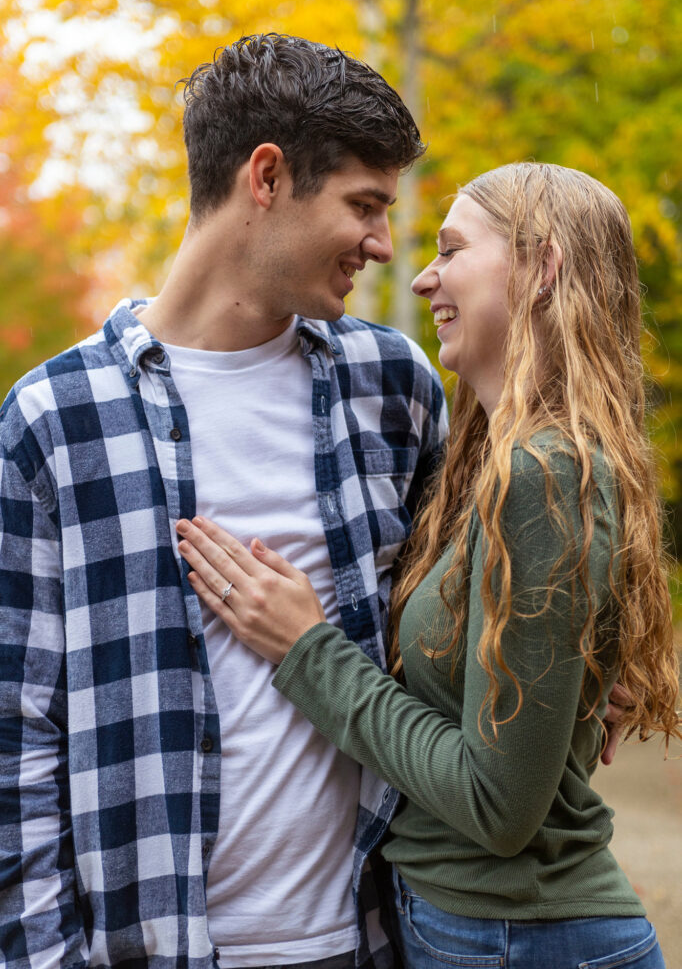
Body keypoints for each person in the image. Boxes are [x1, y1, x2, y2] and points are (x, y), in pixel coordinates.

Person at [0, 34, 448, 969]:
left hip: (374, 937)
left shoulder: (393, 386)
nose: (382, 244)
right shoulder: (54, 420)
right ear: (269, 176)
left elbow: (467, 619)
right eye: (364, 205)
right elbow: (16, 739)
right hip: (151, 946)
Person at [177, 162, 682, 969]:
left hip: (523, 938)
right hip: (487, 932)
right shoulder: (500, 464)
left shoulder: (543, 474)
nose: (420, 277)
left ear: (543, 268)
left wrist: (307, 653)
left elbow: (500, 807)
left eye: (451, 250)